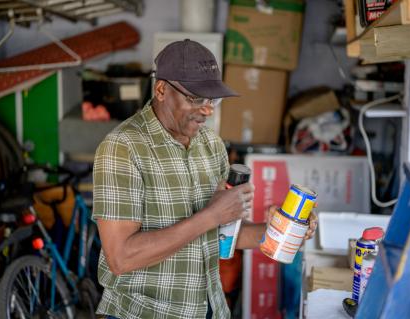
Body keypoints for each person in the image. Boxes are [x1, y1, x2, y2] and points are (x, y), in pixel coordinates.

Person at [92, 39, 317, 319]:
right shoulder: (123, 148)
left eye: (212, 99)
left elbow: (220, 237)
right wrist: (211, 215)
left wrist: (277, 229)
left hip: (208, 309)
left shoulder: (210, 144)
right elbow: (121, 258)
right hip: (144, 313)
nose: (208, 110)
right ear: (161, 89)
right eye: (196, 98)